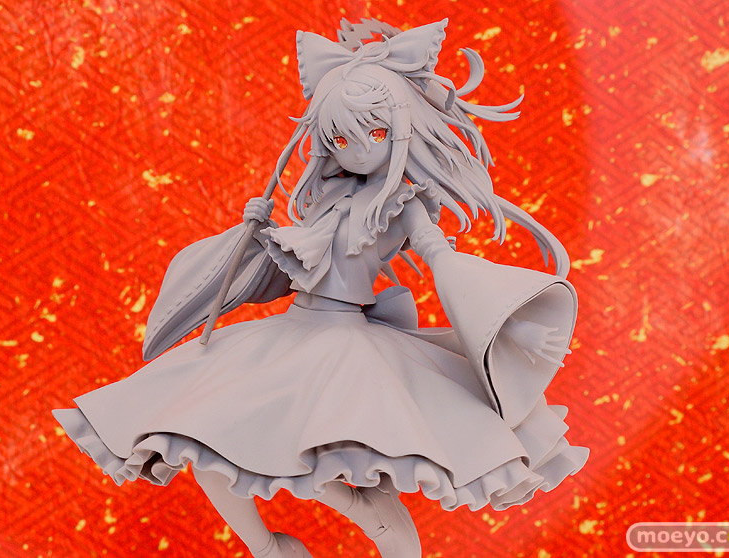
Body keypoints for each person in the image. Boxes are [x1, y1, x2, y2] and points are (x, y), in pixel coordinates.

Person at [53, 18, 589, 558]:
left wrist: (507, 324)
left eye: (373, 135)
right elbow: (292, 264)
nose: (355, 151)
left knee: (330, 449)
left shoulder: (402, 206)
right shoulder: (325, 197)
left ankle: (366, 512)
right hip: (291, 333)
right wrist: (255, 231)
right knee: (201, 436)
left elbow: (445, 263)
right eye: (339, 138)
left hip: (346, 345)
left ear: (402, 130)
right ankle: (269, 547)